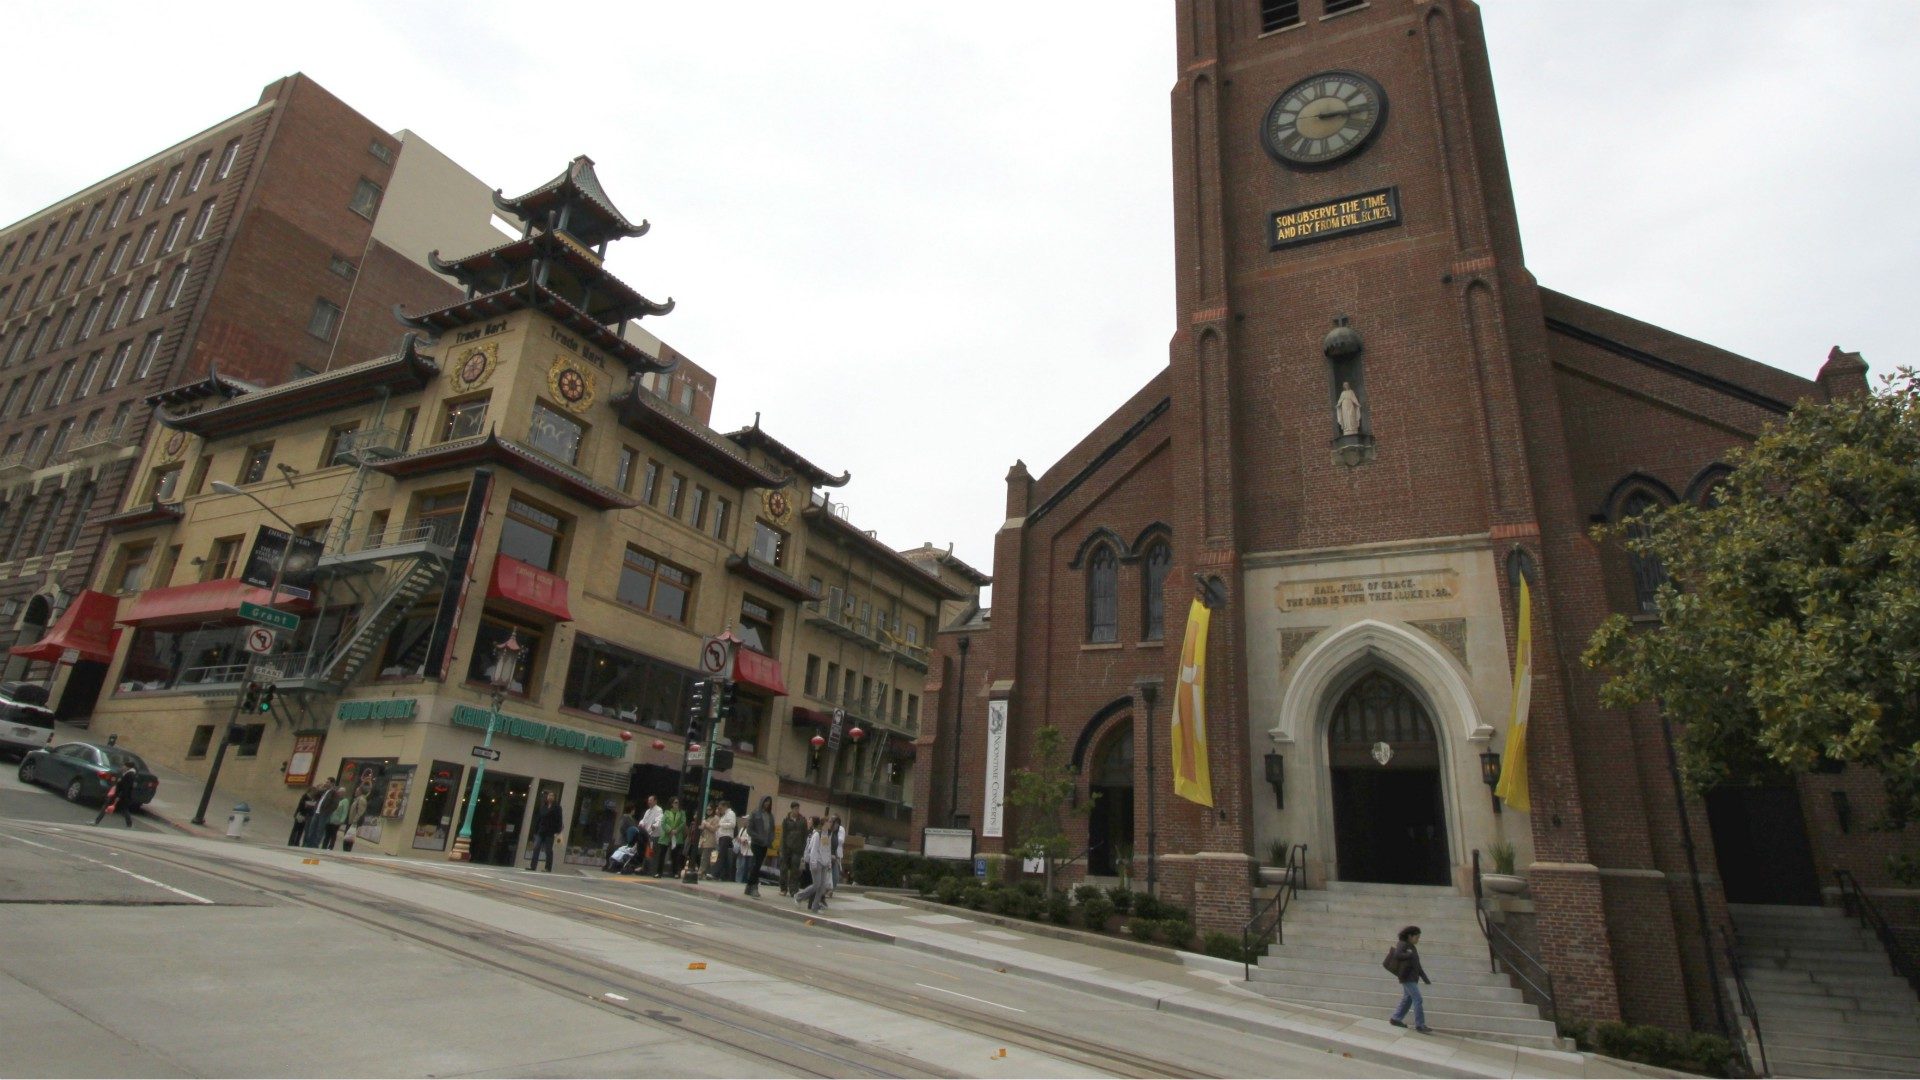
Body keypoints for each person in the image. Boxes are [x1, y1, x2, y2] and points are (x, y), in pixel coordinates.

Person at [1385, 925, 1433, 1033]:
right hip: (1407, 977)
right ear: (1409, 936)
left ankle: (1396, 1018)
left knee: (1408, 998)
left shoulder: (1412, 947)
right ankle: (1420, 1025)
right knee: (1418, 999)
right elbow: (1398, 954)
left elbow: (1417, 964)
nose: (1418, 940)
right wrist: (1409, 955)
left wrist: (1424, 977)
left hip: (1412, 977)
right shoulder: (1403, 944)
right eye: (1416, 937)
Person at [792, 818, 835, 913]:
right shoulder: (817, 835)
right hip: (817, 862)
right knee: (816, 884)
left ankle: (815, 906)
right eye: (828, 822)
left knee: (822, 886)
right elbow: (814, 849)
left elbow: (828, 850)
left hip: (824, 863)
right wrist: (814, 862)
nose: (830, 824)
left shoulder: (828, 835)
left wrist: (829, 863)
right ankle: (799, 896)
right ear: (824, 823)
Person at [742, 796, 775, 896]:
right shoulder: (755, 813)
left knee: (758, 864)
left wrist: (770, 839)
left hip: (765, 844)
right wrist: (758, 837)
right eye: (766, 802)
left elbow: (772, 830)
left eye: (769, 802)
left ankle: (749, 886)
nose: (767, 804)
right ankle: (753, 886)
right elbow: (749, 829)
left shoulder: (770, 816)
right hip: (756, 843)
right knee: (756, 864)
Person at [91, 763, 140, 828]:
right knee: (124, 809)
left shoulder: (129, 775)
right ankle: (129, 825)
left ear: (128, 767)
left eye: (124, 766)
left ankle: (96, 822)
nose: (122, 767)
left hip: (120, 795)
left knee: (107, 807)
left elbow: (126, 787)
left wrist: (119, 796)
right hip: (121, 795)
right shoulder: (127, 774)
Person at [528, 791, 563, 872]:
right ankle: (533, 866)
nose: (550, 797)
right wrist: (535, 829)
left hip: (550, 831)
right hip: (541, 830)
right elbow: (539, 818)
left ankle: (548, 867)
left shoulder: (557, 807)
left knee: (548, 849)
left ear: (554, 798)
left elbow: (559, 819)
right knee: (536, 847)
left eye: (552, 796)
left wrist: (558, 830)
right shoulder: (544, 806)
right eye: (549, 795)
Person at [779, 802, 808, 895]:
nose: (797, 810)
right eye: (795, 808)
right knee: (784, 869)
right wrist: (782, 849)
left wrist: (803, 849)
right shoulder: (786, 820)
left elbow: (805, 835)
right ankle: (783, 888)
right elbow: (783, 835)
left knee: (795, 870)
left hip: (797, 850)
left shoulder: (802, 821)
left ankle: (793, 890)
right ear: (791, 809)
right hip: (787, 848)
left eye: (798, 808)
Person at [304, 779, 340, 848]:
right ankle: (309, 843)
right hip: (317, 811)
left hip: (324, 813)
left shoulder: (334, 793)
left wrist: (327, 811)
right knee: (312, 827)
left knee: (320, 829)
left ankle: (315, 844)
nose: (326, 783)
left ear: (332, 784)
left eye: (327, 782)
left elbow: (335, 804)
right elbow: (314, 795)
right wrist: (320, 788)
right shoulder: (324, 791)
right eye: (326, 782)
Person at [659, 797, 686, 878]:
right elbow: (663, 822)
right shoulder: (667, 812)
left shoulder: (682, 813)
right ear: (671, 804)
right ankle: (659, 872)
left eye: (677, 802)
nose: (676, 804)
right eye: (675, 802)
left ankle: (675, 872)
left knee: (675, 855)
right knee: (662, 854)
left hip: (676, 836)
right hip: (666, 835)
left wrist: (676, 830)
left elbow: (683, 823)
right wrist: (670, 830)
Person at [341, 782, 370, 853]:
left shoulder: (361, 800)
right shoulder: (357, 799)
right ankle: (345, 851)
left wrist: (354, 821)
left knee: (349, 838)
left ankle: (347, 852)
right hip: (351, 821)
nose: (355, 792)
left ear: (360, 791)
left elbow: (360, 812)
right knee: (347, 838)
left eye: (357, 790)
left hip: (353, 822)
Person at [694, 806, 720, 881]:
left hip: (712, 840)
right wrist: (698, 820)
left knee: (707, 858)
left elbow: (714, 829)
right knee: (705, 857)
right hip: (705, 840)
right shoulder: (707, 818)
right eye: (707, 809)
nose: (708, 811)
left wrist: (706, 824)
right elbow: (701, 827)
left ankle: (701, 872)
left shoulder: (716, 818)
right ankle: (705, 873)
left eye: (710, 809)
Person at [715, 800, 737, 881]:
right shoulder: (724, 815)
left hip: (726, 836)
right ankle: (725, 875)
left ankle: (716, 874)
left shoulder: (731, 813)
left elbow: (732, 824)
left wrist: (721, 824)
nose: (720, 810)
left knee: (721, 855)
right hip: (722, 837)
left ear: (725, 806)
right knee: (725, 857)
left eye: (720, 808)